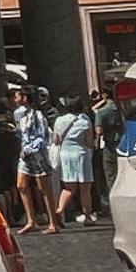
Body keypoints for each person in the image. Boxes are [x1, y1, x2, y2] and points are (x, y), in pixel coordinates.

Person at [11, 84, 59, 233]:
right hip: (25, 156)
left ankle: (53, 223)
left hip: (37, 156)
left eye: (19, 95)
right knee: (21, 185)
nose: (16, 98)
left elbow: (42, 137)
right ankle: (31, 220)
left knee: (44, 189)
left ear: (25, 97)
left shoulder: (38, 116)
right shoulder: (19, 114)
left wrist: (28, 149)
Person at [54, 94, 97, 227]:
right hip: (81, 154)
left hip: (66, 154)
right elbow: (89, 141)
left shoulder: (59, 120)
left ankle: (59, 209)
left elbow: (56, 140)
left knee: (69, 187)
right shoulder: (85, 120)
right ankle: (88, 217)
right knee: (85, 188)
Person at [91, 87, 123, 211]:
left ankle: (114, 204)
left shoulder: (102, 112)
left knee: (110, 174)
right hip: (121, 141)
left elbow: (98, 130)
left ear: (104, 96)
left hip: (108, 143)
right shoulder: (120, 108)